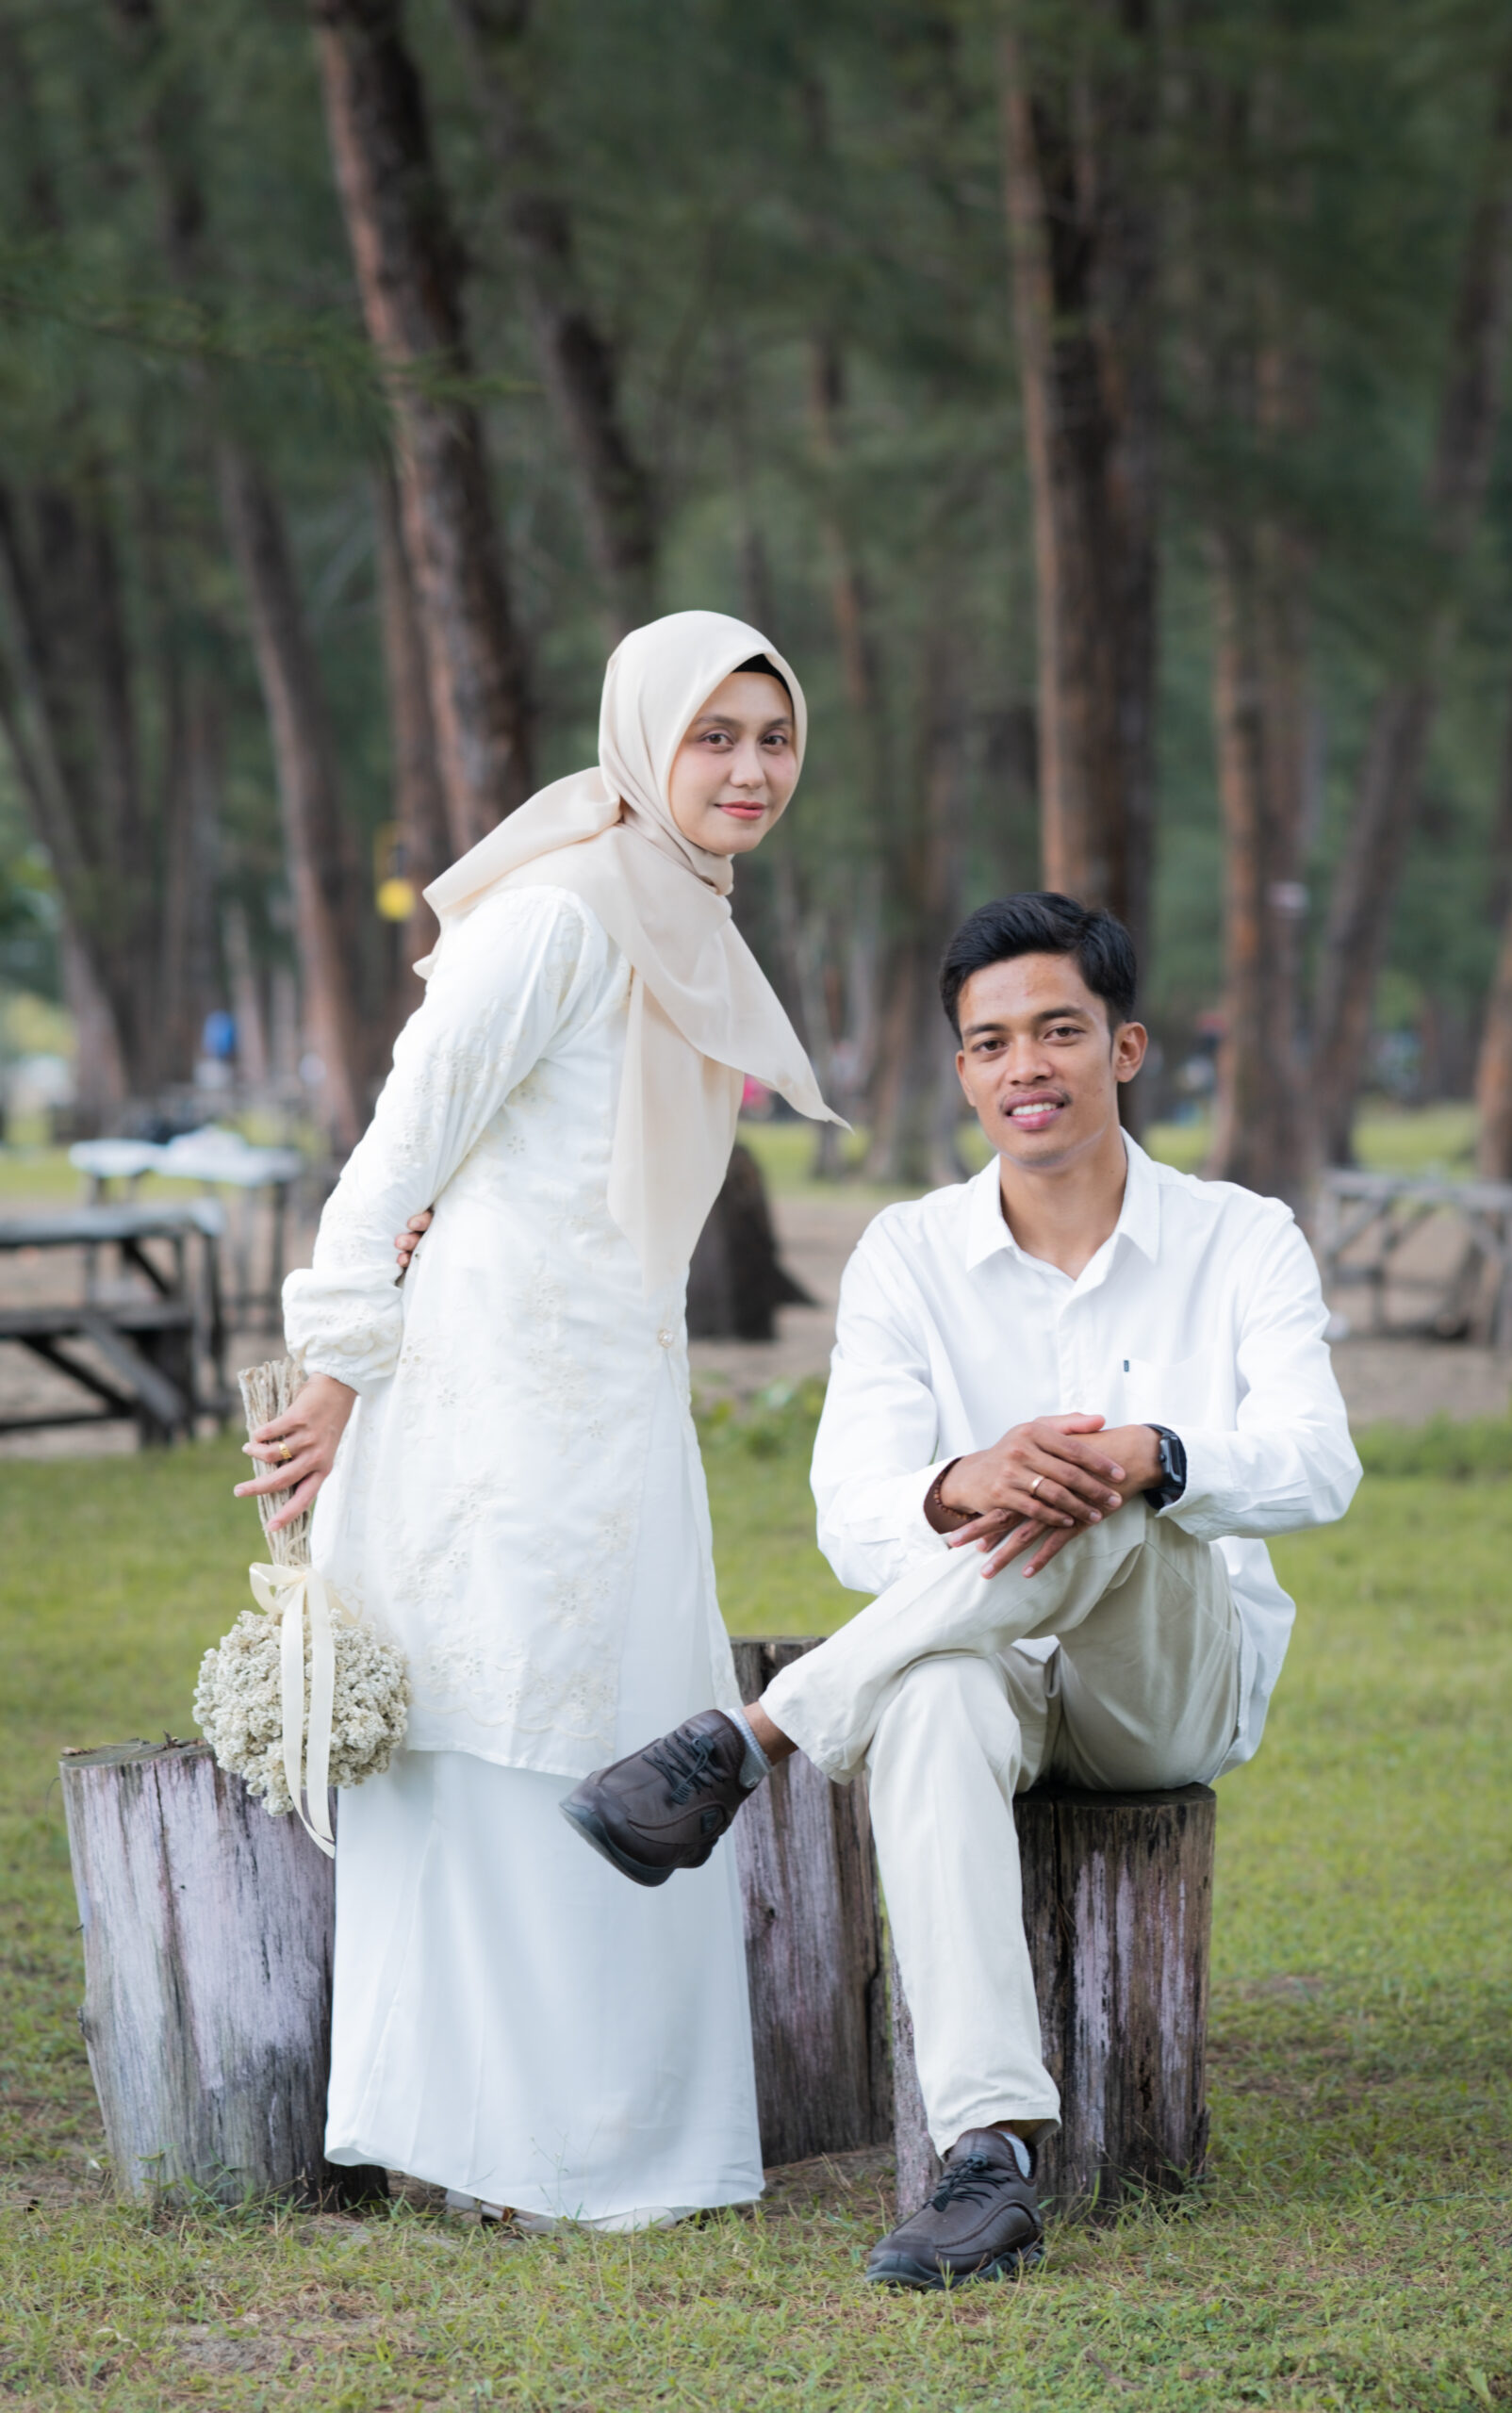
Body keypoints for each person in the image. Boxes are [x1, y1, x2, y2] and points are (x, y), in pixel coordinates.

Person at [563, 890, 1361, 2284]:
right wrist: (955, 1486)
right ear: (964, 1071)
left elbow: (1317, 1465)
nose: (1025, 1067)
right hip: (989, 1665)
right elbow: (852, 1514)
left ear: (1125, 1048)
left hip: (1168, 1687)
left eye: (1060, 1031)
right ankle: (985, 2160)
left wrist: (1152, 1453)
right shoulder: (908, 1253)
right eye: (992, 1044)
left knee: (1105, 1484)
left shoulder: (1244, 1237)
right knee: (930, 1699)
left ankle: (751, 1737)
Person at [236, 611, 839, 2231]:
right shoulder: (564, 910)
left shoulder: (685, 915)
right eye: (714, 736)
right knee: (497, 1737)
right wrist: (338, 1365)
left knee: (625, 1727)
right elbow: (398, 1150)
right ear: (644, 740)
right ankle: (488, 2149)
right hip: (486, 1402)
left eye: (774, 738)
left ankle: (620, 2141)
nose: (750, 770)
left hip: (614, 1396)